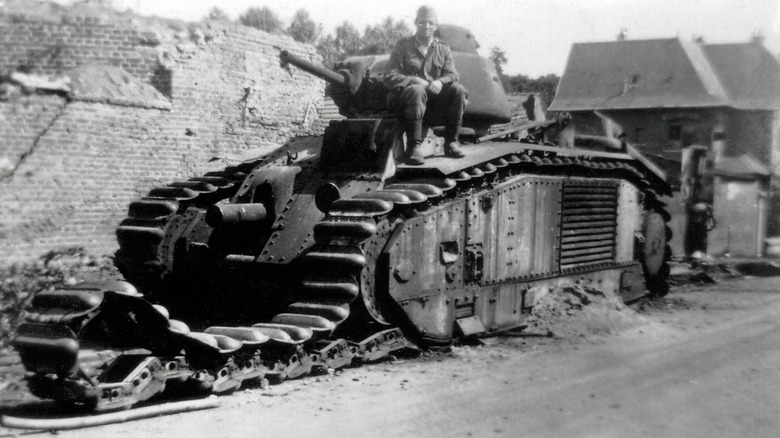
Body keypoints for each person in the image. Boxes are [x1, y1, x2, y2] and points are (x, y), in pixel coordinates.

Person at [384, 5, 468, 165]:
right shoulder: (403, 46)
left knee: (459, 90)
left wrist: (439, 81)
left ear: (436, 26)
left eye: (431, 23)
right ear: (416, 23)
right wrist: (413, 80)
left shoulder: (442, 48)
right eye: (422, 22)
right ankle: (414, 147)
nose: (427, 26)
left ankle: (451, 142)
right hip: (405, 103)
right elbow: (389, 76)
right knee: (416, 90)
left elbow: (452, 74)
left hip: (432, 105)